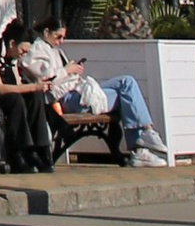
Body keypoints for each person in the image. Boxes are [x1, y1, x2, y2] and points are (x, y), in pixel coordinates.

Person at [37, 24, 167, 164]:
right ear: (46, 31)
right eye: (58, 36)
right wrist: (67, 70)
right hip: (69, 99)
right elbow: (45, 80)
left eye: (63, 37)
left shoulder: (55, 50)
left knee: (127, 82)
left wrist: (73, 70)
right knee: (126, 94)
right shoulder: (37, 50)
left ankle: (144, 138)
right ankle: (141, 144)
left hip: (76, 89)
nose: (61, 41)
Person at [0, 20, 58, 171]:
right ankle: (19, 151)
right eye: (23, 51)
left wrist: (37, 86)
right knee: (16, 99)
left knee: (35, 96)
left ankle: (40, 148)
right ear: (12, 44)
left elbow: (18, 84)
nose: (23, 55)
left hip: (9, 95)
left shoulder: (13, 58)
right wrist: (32, 86)